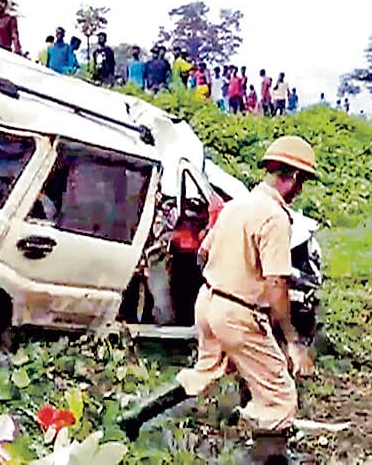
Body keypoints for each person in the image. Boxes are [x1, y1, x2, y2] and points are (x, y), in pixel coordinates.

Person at [118, 136, 318, 462]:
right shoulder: (275, 217)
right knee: (280, 396)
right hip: (238, 311)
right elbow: (276, 283)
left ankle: (135, 417)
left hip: (209, 301)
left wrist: (229, 275)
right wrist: (292, 341)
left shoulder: (236, 204)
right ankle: (266, 460)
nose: (300, 191)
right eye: (302, 182)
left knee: (205, 371)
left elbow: (202, 252)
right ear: (293, 177)